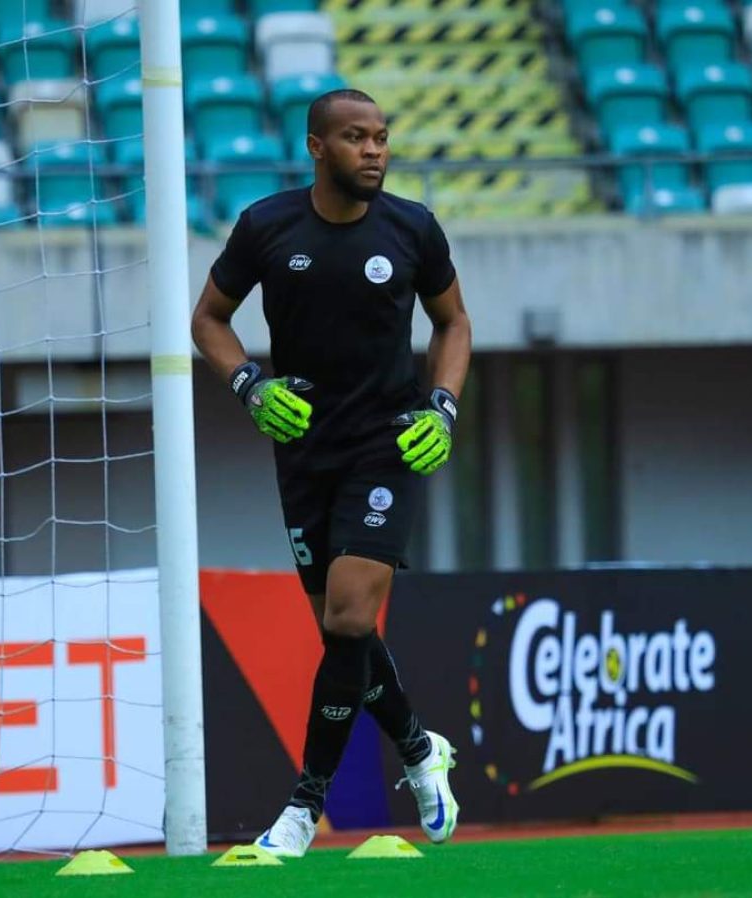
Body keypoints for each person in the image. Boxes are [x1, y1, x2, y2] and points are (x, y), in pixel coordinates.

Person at [190, 88, 473, 857]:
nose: (375, 150)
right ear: (318, 148)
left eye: (382, 136)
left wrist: (442, 408)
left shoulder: (413, 227)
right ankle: (419, 748)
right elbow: (207, 320)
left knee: (349, 619)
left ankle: (302, 805)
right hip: (304, 447)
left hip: (389, 444)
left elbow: (453, 322)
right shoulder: (267, 227)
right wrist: (250, 386)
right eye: (356, 138)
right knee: (339, 632)